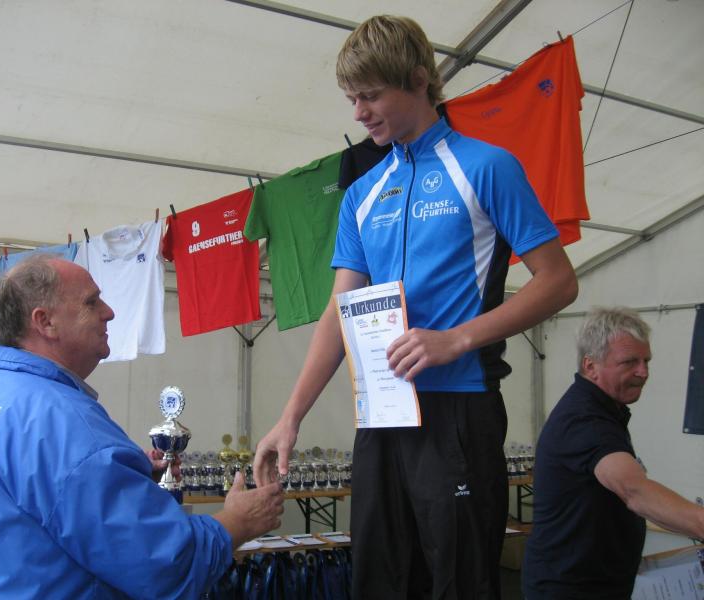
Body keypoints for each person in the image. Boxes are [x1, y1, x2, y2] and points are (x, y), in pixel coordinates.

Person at [252, 14, 578, 600]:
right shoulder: (362, 193)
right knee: (381, 580)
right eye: (352, 99)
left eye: (372, 95)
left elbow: (557, 282)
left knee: (459, 582)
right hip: (382, 415)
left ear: (420, 80)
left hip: (459, 412)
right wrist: (290, 417)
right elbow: (339, 312)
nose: (359, 113)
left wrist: (455, 339)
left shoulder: (486, 166)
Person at [0, 255, 284, 599]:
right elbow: (167, 565)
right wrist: (237, 521)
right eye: (91, 302)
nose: (109, 312)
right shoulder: (65, 425)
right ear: (45, 322)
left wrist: (121, 479)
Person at [522, 307, 704, 599]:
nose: (643, 372)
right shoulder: (584, 421)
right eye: (630, 362)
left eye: (646, 361)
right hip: (571, 590)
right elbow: (635, 491)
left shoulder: (603, 411)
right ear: (590, 366)